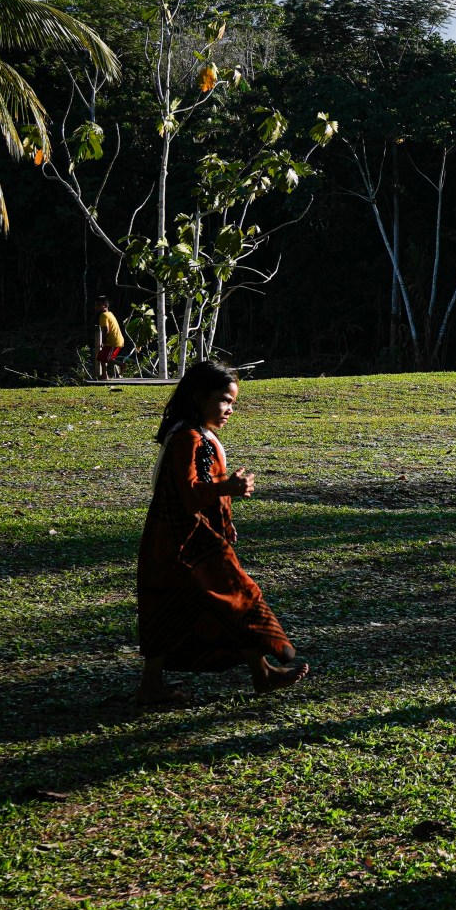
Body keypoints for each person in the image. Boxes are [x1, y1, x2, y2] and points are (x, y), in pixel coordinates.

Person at [134, 362, 307, 705]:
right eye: (224, 400)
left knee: (186, 606)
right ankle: (263, 671)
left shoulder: (196, 434)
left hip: (181, 538)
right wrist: (229, 486)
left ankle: (261, 674)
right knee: (238, 597)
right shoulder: (188, 438)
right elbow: (189, 493)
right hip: (188, 541)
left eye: (233, 403)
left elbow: (200, 490)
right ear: (199, 397)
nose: (229, 409)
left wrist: (226, 517)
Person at [93, 296, 126, 379]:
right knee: (102, 357)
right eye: (95, 305)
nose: (96, 307)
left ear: (105, 306)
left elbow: (106, 330)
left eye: (99, 305)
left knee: (104, 358)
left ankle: (121, 365)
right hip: (115, 340)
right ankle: (104, 375)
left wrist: (103, 341)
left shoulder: (103, 315)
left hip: (113, 341)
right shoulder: (109, 313)